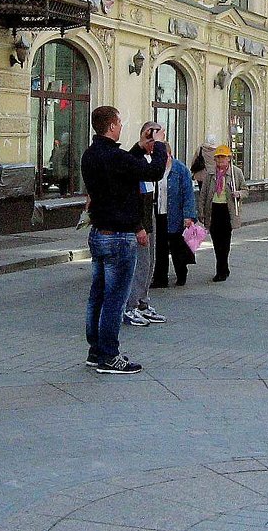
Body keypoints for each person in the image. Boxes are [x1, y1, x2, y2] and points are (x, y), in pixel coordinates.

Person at [81, 106, 167, 374]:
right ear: (111, 125)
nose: (121, 126)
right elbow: (151, 173)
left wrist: (140, 148)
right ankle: (110, 355)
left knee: (97, 296)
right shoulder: (114, 157)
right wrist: (160, 145)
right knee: (115, 300)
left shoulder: (91, 155)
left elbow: (122, 167)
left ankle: (95, 351)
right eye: (119, 122)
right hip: (119, 237)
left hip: (98, 233)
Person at [123, 122, 169, 326]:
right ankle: (130, 306)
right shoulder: (135, 160)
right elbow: (155, 172)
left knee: (148, 263)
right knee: (138, 265)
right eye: (153, 138)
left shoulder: (147, 159)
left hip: (149, 217)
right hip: (137, 221)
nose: (157, 143)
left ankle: (142, 302)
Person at [198, 145, 247, 282]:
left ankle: (221, 270)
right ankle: (223, 268)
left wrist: (239, 194)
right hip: (213, 210)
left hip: (227, 210)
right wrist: (201, 211)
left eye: (222, 158)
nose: (220, 161)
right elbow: (203, 193)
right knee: (216, 241)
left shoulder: (235, 173)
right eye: (218, 158)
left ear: (229, 159)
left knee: (224, 242)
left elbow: (245, 190)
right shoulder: (210, 174)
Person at [151, 142, 197, 288]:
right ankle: (160, 278)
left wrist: (188, 216)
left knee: (177, 247)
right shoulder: (154, 168)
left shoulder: (180, 170)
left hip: (176, 214)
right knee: (160, 248)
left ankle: (181, 273)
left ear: (169, 155)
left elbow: (188, 194)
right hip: (159, 213)